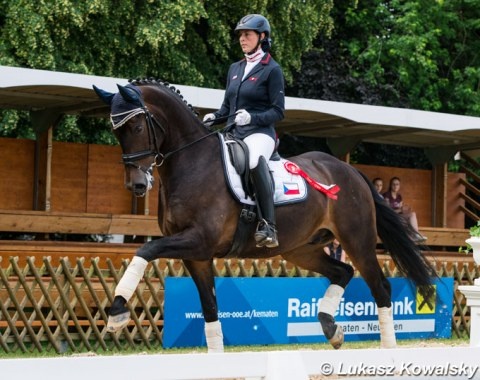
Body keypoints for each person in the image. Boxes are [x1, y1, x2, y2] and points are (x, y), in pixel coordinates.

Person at [203, 14, 285, 248]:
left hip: (261, 133)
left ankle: (268, 225)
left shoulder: (272, 69)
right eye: (240, 34)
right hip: (235, 133)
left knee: (253, 161)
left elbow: (278, 111)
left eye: (247, 34)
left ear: (262, 37)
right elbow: (228, 107)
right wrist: (215, 117)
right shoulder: (235, 68)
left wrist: (253, 117)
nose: (242, 39)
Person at [383, 176, 427, 242]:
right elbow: (388, 211)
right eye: (393, 184)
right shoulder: (386, 195)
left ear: (399, 186)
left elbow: (401, 209)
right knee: (404, 222)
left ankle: (415, 234)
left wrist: (406, 210)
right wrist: (400, 210)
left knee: (412, 214)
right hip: (390, 217)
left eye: (397, 184)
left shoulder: (399, 196)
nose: (395, 186)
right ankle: (412, 236)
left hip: (398, 216)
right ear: (390, 185)